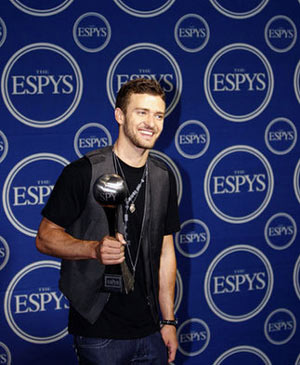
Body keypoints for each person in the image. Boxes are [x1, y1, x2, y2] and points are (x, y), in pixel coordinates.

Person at [36, 78, 181, 364]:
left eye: (159, 115)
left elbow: (166, 253)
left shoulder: (164, 177)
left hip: (151, 330)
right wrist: (92, 249)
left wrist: (169, 321)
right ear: (120, 115)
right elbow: (44, 237)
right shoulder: (82, 172)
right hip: (98, 333)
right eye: (141, 112)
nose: (151, 123)